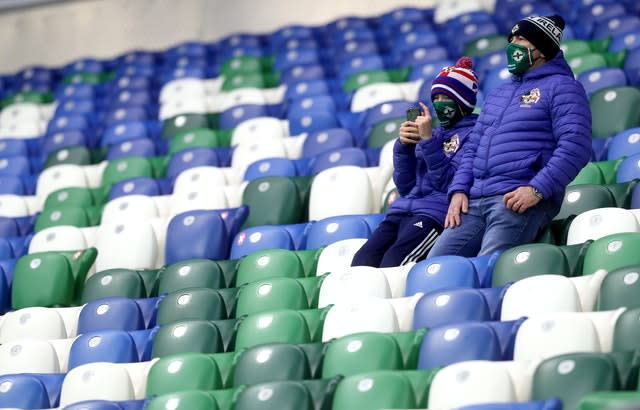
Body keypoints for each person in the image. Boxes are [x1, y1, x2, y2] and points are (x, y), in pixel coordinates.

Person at [427, 14, 592, 258]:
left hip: (516, 200)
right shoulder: (498, 93)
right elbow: (473, 147)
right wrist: (459, 189)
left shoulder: (564, 87)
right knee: (437, 266)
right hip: (474, 201)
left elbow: (575, 146)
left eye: (521, 38)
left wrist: (537, 189)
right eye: (511, 38)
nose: (512, 44)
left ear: (542, 49)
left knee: (489, 268)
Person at [351, 57, 480, 268]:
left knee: (394, 263)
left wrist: (429, 142)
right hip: (401, 211)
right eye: (435, 97)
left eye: (445, 97)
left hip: (434, 215)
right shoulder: (432, 133)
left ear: (462, 100)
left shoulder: (474, 135)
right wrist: (404, 147)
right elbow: (405, 186)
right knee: (361, 262)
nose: (439, 103)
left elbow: (448, 184)